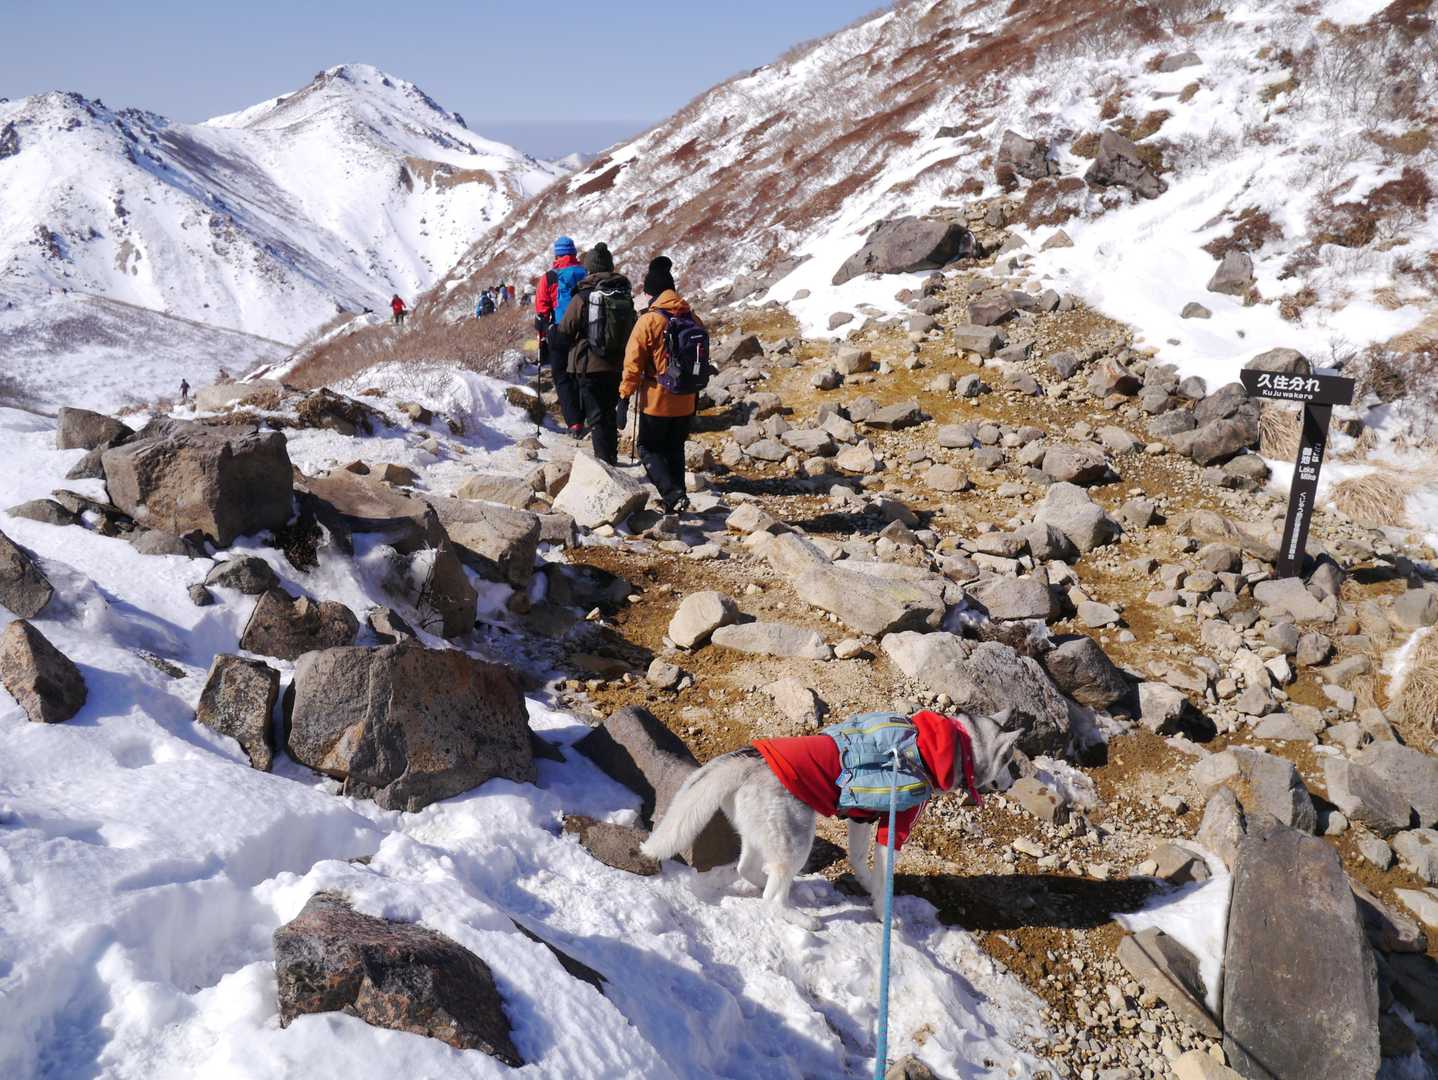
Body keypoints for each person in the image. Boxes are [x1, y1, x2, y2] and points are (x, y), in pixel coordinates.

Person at [640, 710, 1021, 929]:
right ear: (993, 756)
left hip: (758, 764)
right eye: (1006, 768)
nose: (1005, 780)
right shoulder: (923, 775)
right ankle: (776, 902)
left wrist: (860, 868)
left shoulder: (917, 738)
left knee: (782, 841)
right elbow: (888, 841)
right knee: (793, 847)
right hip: (776, 780)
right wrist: (882, 904)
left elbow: (864, 811)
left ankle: (752, 872)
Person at [619, 256, 700, 513]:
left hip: (657, 399)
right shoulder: (691, 317)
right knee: (674, 448)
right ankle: (678, 497)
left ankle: (673, 495)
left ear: (651, 293)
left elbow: (633, 363)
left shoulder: (649, 321)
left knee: (648, 448)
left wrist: (624, 396)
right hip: (687, 397)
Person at [559, 243, 634, 465]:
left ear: (589, 268)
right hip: (617, 364)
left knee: (596, 416)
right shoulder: (623, 294)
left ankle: (604, 465)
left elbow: (566, 329)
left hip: (589, 365)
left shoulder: (583, 296)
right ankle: (611, 457)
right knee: (608, 412)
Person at [534, 237, 587, 436]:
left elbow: (542, 309)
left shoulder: (550, 277)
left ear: (557, 255)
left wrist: (542, 334)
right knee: (581, 374)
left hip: (559, 331)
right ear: (574, 253)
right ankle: (586, 415)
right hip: (584, 331)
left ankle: (574, 423)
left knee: (562, 376)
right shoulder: (586, 273)